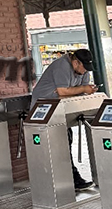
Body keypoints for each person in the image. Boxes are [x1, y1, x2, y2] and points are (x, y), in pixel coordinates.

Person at [29, 49, 98, 191]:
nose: (85, 71)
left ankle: (70, 179)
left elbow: (79, 91)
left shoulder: (83, 71)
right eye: (83, 67)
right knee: (58, 143)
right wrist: (81, 89)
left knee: (66, 140)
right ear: (75, 62)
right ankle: (66, 179)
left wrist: (81, 90)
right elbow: (63, 91)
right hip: (43, 111)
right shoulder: (62, 66)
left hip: (60, 110)